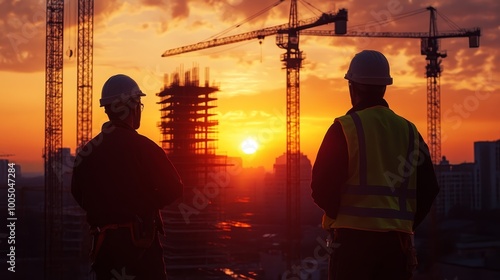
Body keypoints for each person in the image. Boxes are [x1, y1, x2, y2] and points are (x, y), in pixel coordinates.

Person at [311, 50, 439, 280]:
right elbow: (429, 189)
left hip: (352, 246)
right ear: (384, 87)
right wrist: (402, 223)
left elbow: (321, 187)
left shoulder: (344, 128)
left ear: (352, 87)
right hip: (396, 247)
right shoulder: (410, 132)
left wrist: (341, 216)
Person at [71, 74, 183, 280]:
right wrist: (143, 204)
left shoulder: (87, 153)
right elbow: (175, 188)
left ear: (107, 109)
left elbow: (79, 194)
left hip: (104, 249)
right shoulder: (145, 148)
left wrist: (108, 209)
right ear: (132, 106)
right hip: (141, 250)